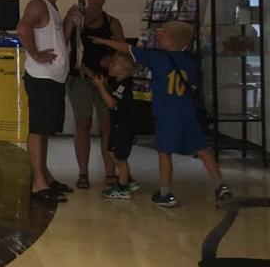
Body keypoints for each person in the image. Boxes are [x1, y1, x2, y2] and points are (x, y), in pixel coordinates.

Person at [92, 21, 232, 207]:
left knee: (164, 152)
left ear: (172, 41)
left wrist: (104, 41)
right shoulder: (190, 62)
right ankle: (221, 185)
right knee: (202, 149)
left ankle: (165, 193)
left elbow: (127, 48)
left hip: (167, 113)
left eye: (163, 33)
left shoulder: (157, 58)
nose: (158, 35)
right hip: (188, 112)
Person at [16, 0, 73, 205]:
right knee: (38, 129)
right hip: (41, 77)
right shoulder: (37, 4)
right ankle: (39, 183)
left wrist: (69, 21)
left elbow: (59, 41)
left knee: (45, 128)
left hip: (53, 78)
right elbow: (22, 28)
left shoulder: (52, 7)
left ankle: (45, 176)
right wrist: (36, 54)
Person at [64, 0, 125, 189]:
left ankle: (110, 172)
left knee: (107, 124)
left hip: (104, 78)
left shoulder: (112, 22)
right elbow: (64, 43)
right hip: (79, 76)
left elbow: (122, 51)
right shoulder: (76, 18)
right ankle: (83, 172)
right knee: (83, 123)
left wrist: (111, 61)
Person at [90, 52, 140, 199]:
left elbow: (111, 103)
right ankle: (128, 180)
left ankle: (123, 188)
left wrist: (100, 87)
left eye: (114, 63)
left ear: (124, 70)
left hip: (123, 127)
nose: (110, 65)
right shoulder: (120, 85)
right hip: (119, 125)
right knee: (112, 153)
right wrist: (105, 85)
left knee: (120, 157)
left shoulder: (125, 85)